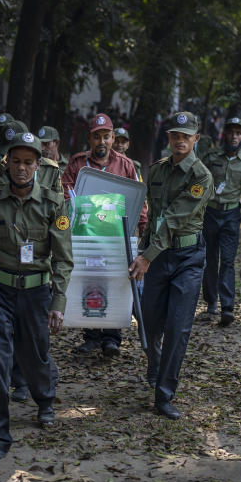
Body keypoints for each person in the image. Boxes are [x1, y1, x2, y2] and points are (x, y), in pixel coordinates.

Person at [0, 131, 74, 467]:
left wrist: (58, 303)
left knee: (35, 355)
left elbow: (63, 259)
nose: (22, 168)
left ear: (39, 165)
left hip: (36, 291)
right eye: (16, 162)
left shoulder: (54, 204)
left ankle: (45, 399)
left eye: (29, 162)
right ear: (7, 163)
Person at [128, 111, 213, 420]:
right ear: (169, 138)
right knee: (150, 322)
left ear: (196, 139)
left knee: (178, 327)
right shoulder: (158, 170)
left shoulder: (201, 176)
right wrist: (142, 250)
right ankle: (155, 362)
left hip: (188, 259)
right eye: (175, 135)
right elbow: (154, 218)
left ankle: (164, 394)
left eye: (186, 136)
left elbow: (176, 218)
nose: (180, 140)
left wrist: (147, 255)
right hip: (159, 255)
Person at [62, 113, 147, 357]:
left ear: (113, 139)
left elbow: (138, 202)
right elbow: (66, 196)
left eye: (106, 137)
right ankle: (91, 335)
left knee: (114, 280)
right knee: (89, 278)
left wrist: (143, 230)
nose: (102, 141)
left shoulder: (126, 165)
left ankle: (112, 338)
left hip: (117, 238)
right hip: (86, 236)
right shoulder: (78, 164)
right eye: (97, 136)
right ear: (90, 138)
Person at [200, 116, 241, 325]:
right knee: (210, 259)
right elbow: (199, 181)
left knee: (227, 261)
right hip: (210, 214)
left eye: (238, 133)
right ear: (225, 134)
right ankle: (211, 302)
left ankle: (227, 307)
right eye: (230, 132)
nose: (234, 136)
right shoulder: (211, 157)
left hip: (231, 216)